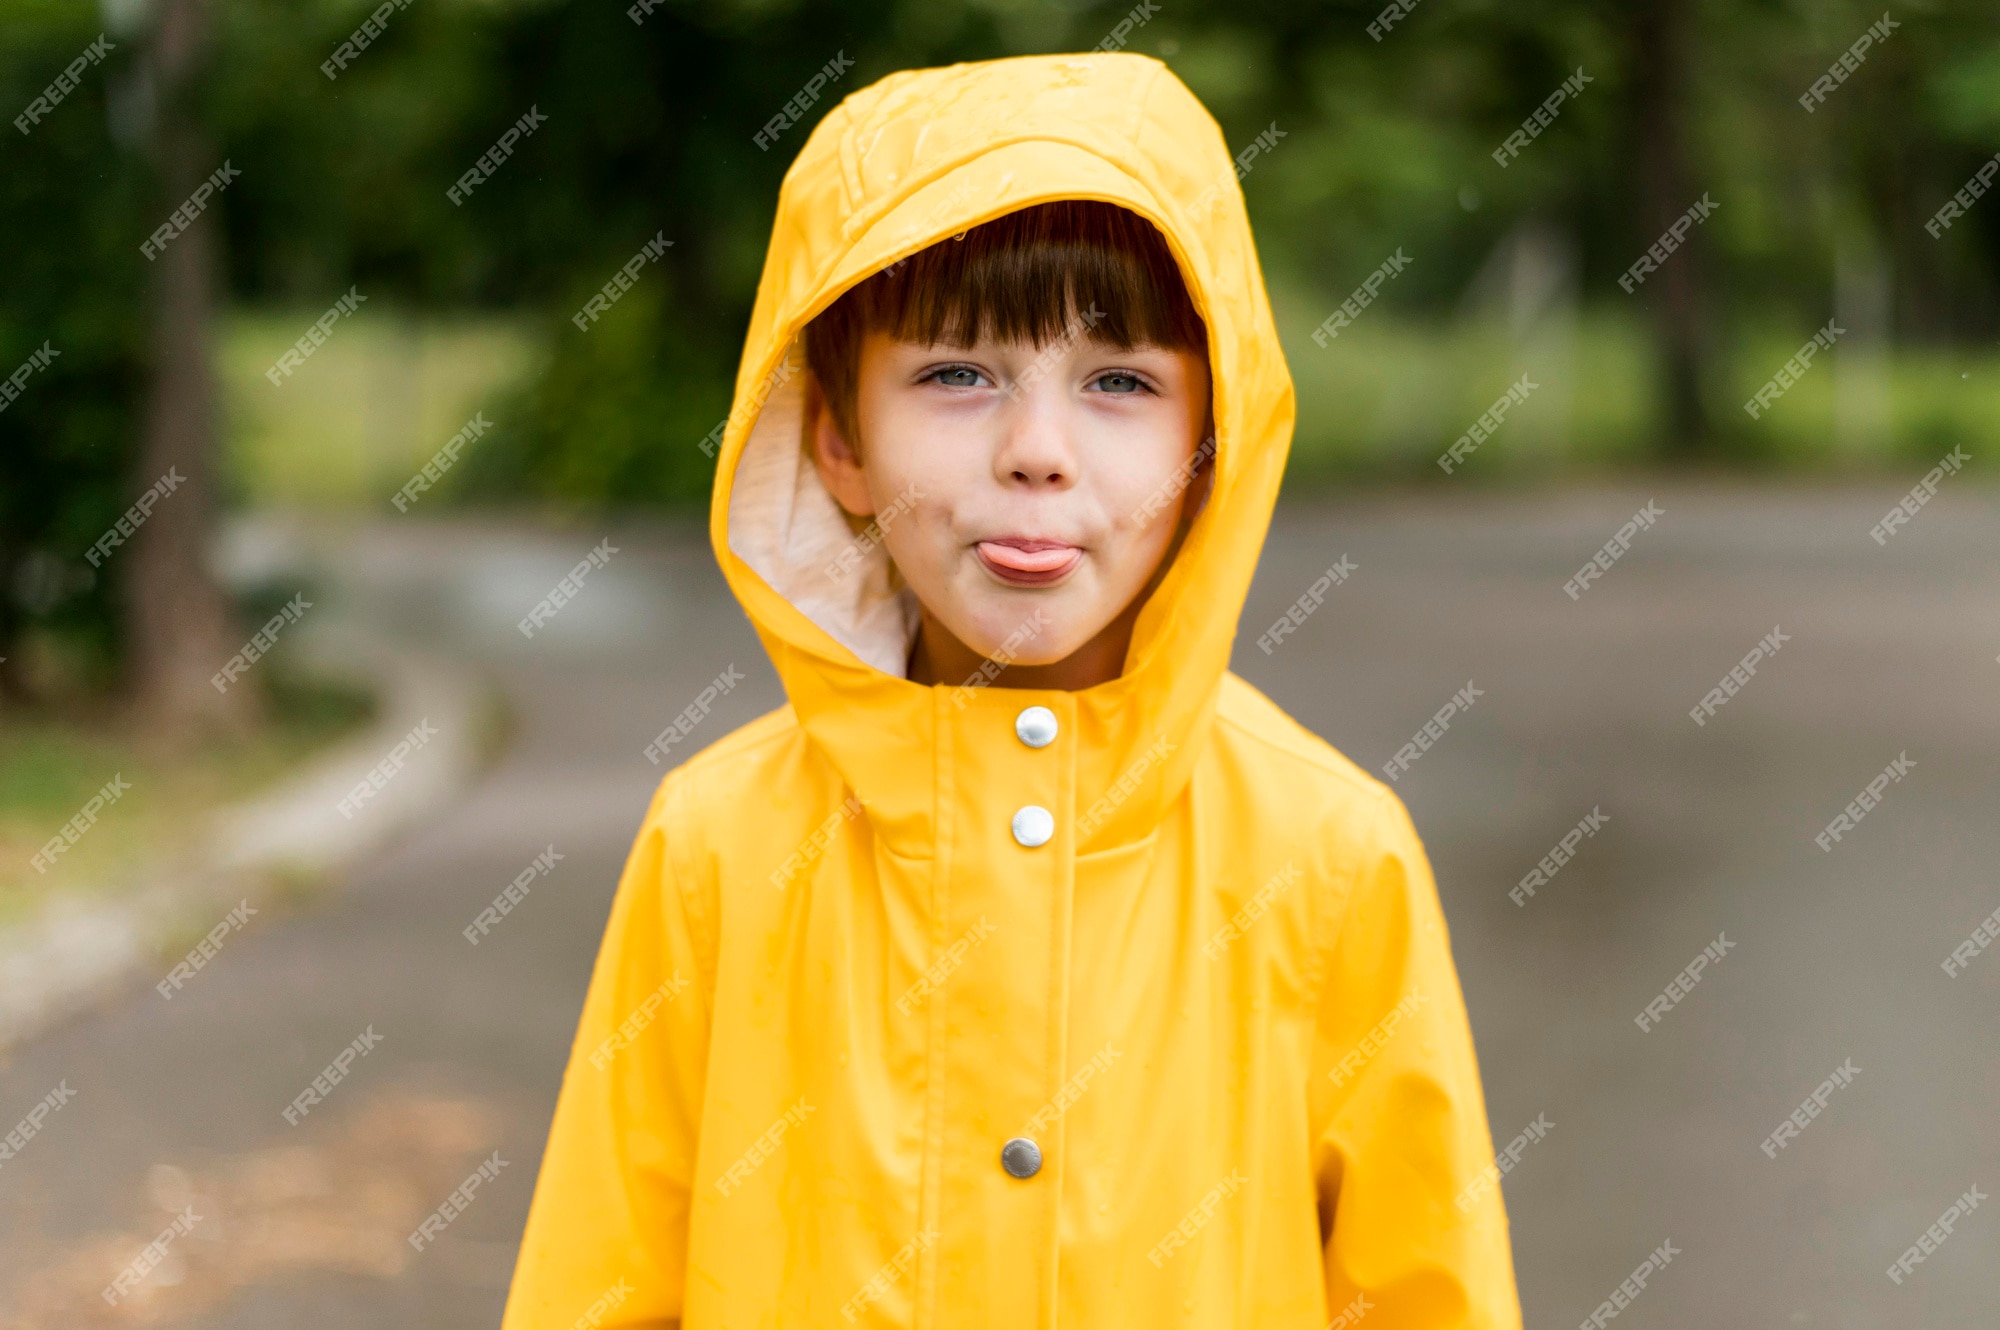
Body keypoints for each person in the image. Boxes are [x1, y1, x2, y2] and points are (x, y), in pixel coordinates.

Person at [503, 51, 1522, 1330]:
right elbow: (600, 1287)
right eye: (954, 374)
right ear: (836, 436)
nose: (1035, 451)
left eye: (1119, 381)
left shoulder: (1325, 852)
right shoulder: (715, 847)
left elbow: (1427, 1296)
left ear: (1213, 444)